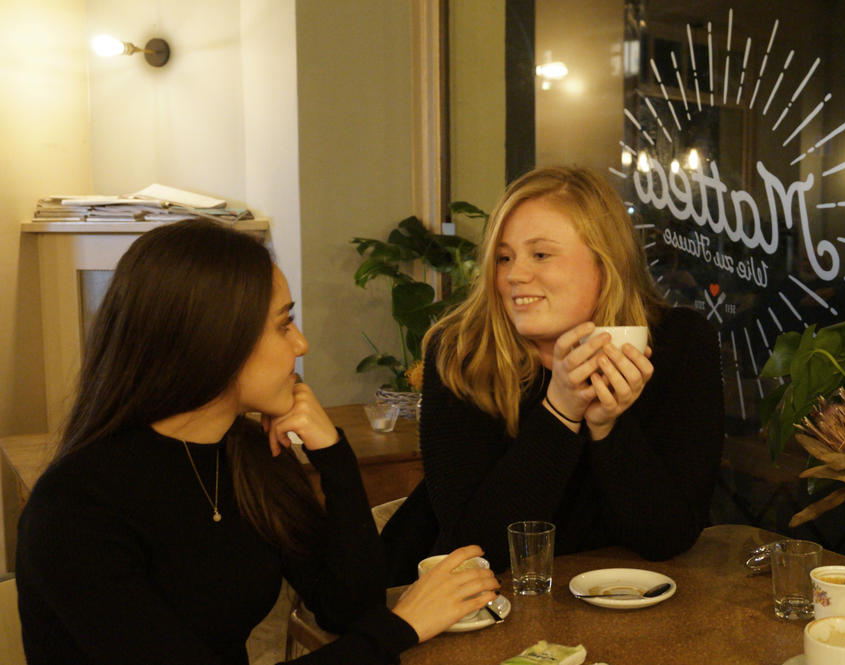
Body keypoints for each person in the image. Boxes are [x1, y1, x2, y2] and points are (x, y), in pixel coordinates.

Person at [16, 219, 498, 664]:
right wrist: (403, 626)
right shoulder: (76, 508)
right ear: (214, 341)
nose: (301, 344)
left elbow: (346, 608)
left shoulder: (247, 453)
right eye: (283, 324)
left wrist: (333, 456)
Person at [381, 166, 724, 584]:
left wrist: (607, 425)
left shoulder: (678, 345)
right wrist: (561, 409)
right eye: (504, 257)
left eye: (540, 254)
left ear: (606, 261)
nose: (514, 275)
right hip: (482, 605)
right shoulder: (462, 353)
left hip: (623, 609)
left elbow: (668, 537)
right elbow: (477, 549)